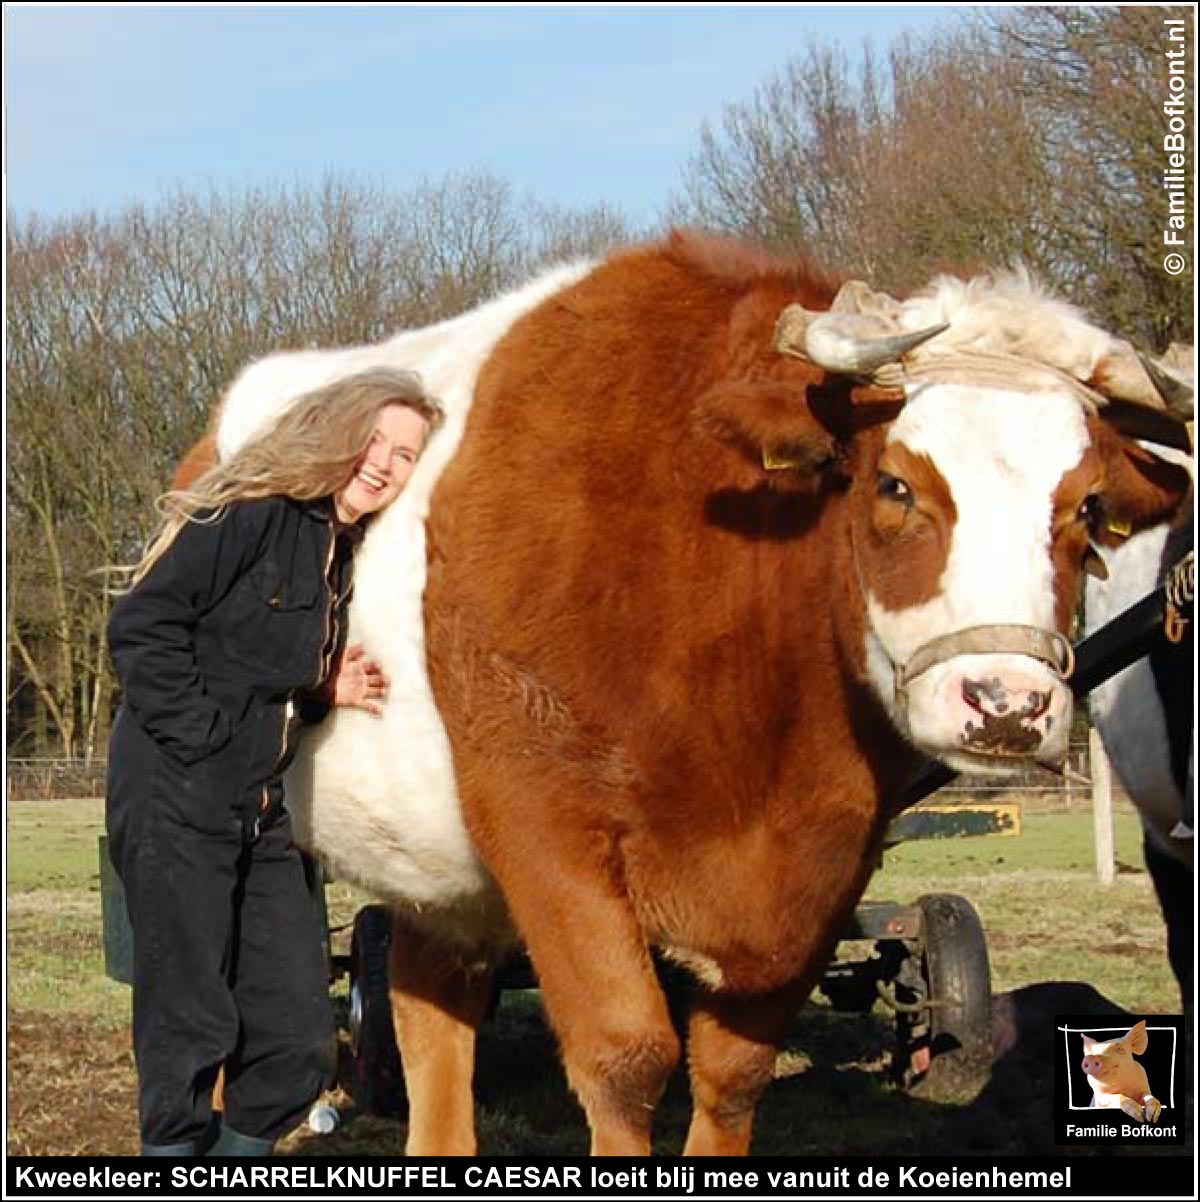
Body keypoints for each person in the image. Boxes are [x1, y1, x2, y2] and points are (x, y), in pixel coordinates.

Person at [106, 366, 445, 1156]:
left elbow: (253, 662)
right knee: (190, 1027)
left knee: (299, 1041)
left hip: (259, 808)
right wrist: (207, 741)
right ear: (341, 430)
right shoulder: (253, 511)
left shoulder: (338, 551)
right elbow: (143, 626)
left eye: (405, 456)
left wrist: (322, 687)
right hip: (175, 792)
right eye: (378, 440)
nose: (385, 465)